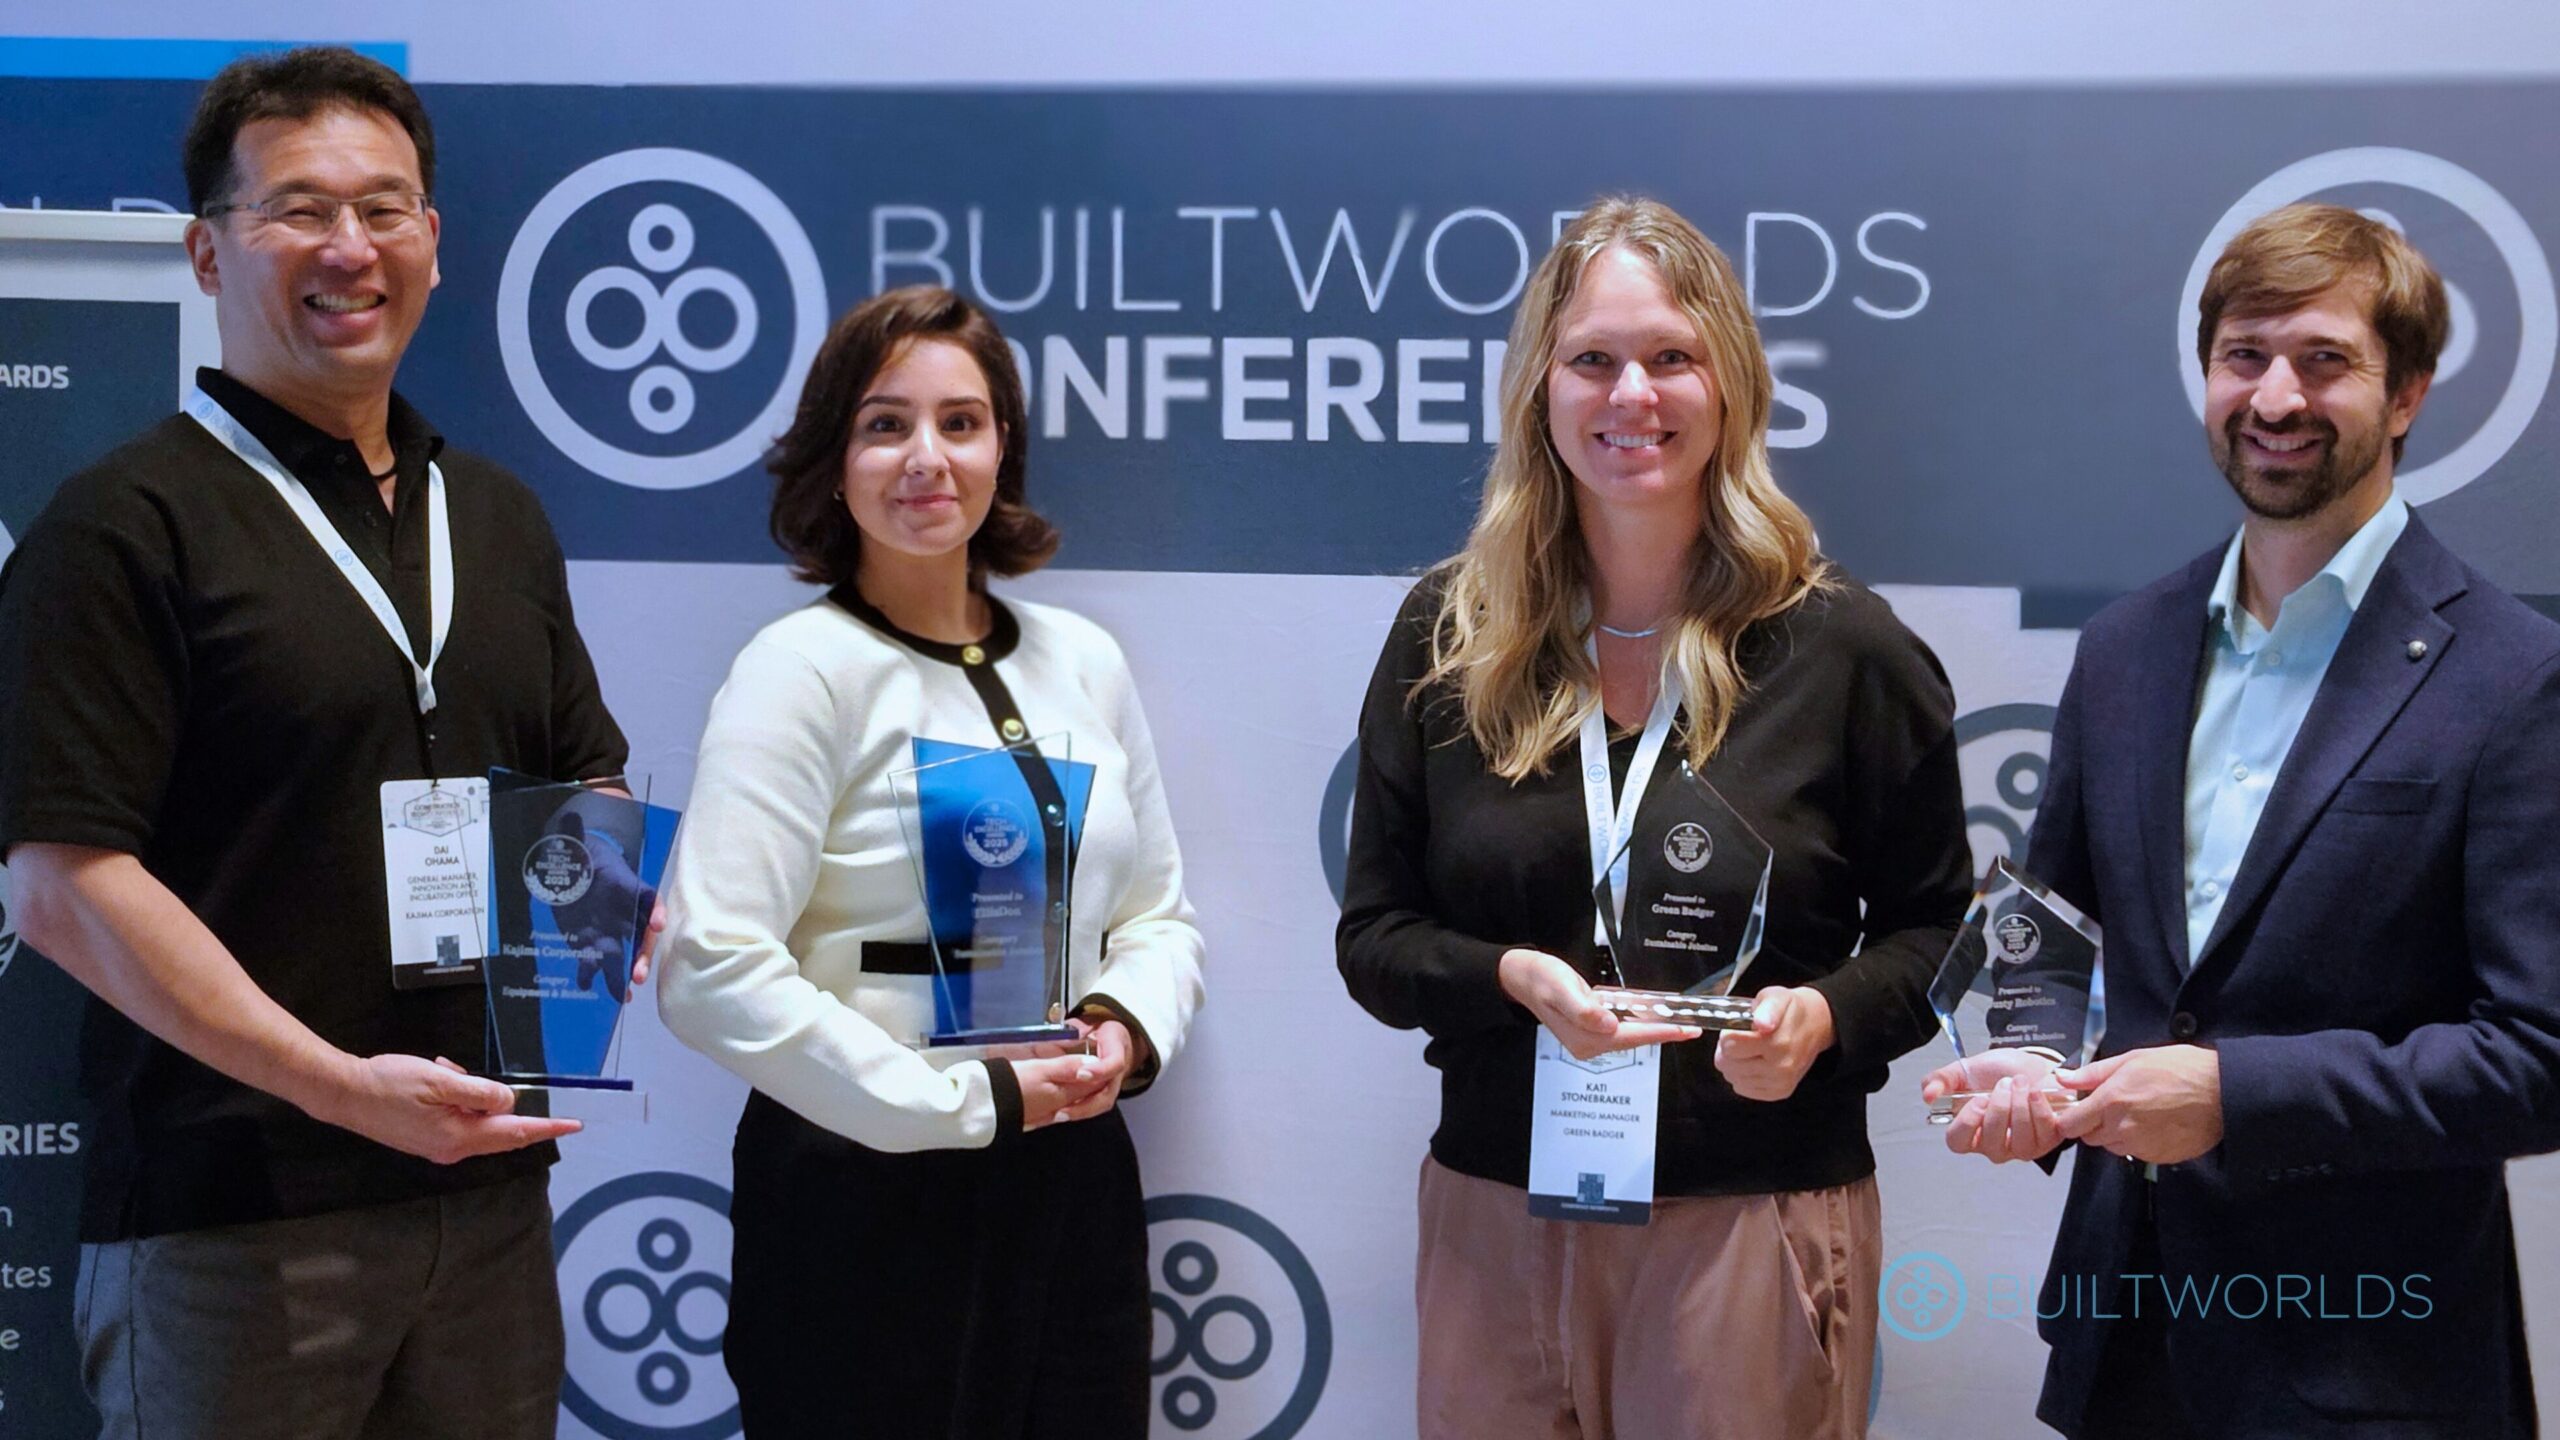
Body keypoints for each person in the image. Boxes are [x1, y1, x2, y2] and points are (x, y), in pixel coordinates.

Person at [0, 46, 643, 1440]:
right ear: (206, 252)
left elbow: (583, 776)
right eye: (299, 209)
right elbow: (58, 883)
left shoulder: (500, 517)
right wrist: (345, 1093)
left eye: (385, 207)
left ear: (433, 242)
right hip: (237, 1229)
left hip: (486, 1210)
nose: (349, 247)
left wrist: (604, 911)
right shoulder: (124, 526)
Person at [1336, 197, 1970, 1440]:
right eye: (1592, 359)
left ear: (1727, 384)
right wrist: (1510, 977)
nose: (1633, 393)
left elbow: (1937, 933)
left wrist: (1824, 1019)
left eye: (1670, 356)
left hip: (1748, 1221)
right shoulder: (1446, 636)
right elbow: (1375, 939)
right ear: (1540, 389)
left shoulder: (1843, 647)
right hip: (1496, 1216)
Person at [1923, 203, 2560, 1439]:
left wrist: (2235, 1095)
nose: (2274, 397)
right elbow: (2045, 955)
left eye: (2323, 360)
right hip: (2128, 1342)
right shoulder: (2123, 651)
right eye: (2243, 357)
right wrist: (2031, 1067)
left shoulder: (2510, 674)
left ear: (2410, 392)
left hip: (2376, 1365)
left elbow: (2538, 1057)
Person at [657, 285, 1204, 1440]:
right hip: (860, 1197)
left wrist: (1124, 1024)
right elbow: (710, 965)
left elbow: (1158, 916)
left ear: (1003, 446)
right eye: (884, 423)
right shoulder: (795, 670)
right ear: (833, 456)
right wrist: (950, 1102)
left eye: (961, 422)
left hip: (1069, 1186)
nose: (927, 459)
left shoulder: (1083, 660)